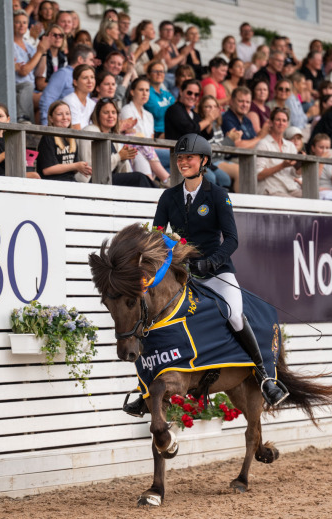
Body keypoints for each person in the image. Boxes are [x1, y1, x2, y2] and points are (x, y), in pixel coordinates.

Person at [123, 132, 289, 418]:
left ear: (203, 162)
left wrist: (211, 263)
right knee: (149, 314)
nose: (183, 162)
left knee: (235, 314)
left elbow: (232, 240)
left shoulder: (217, 195)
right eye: (180, 158)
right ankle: (145, 390)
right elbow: (158, 239)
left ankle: (265, 377)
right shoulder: (168, 197)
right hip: (181, 276)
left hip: (216, 272)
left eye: (189, 157)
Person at [78, 98, 154, 188]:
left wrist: (123, 158)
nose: (111, 116)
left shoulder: (113, 136)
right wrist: (119, 156)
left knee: (144, 178)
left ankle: (159, 199)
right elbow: (90, 167)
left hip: (108, 179)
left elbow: (119, 170)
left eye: (113, 113)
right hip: (91, 180)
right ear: (97, 115)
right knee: (139, 178)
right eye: (106, 113)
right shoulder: (89, 131)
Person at [120, 76, 170, 184]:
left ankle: (162, 181)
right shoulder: (126, 110)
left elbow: (150, 141)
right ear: (132, 92)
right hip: (131, 149)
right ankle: (165, 178)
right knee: (138, 148)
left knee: (173, 155)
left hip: (147, 152)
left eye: (147, 90)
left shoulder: (149, 115)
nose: (145, 93)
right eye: (141, 90)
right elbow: (132, 136)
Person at [0, 102, 40, 177]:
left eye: (1, 116)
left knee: (34, 176)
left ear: (8, 119)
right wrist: (4, 155)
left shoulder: (11, 136)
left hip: (11, 174)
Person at [38, 43, 95, 125]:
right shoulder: (63, 74)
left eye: (92, 77)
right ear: (80, 59)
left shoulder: (90, 97)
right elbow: (47, 100)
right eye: (91, 60)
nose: (93, 64)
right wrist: (47, 126)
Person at [36, 100, 91, 181]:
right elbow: (47, 170)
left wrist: (82, 167)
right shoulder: (48, 137)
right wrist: (75, 166)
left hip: (70, 182)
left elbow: (74, 169)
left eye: (67, 114)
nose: (65, 117)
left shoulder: (71, 138)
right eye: (59, 114)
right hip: (52, 183)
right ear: (51, 118)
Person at [255, 107, 302, 197]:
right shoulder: (263, 144)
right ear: (271, 123)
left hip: (290, 188)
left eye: (284, 121)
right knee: (294, 203)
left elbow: (295, 173)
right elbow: (258, 175)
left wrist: (301, 165)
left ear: (287, 124)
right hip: (271, 189)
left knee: (313, 197)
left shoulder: (291, 146)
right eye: (278, 120)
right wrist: (282, 166)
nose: (281, 123)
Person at [145, 60, 175, 137]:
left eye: (161, 71)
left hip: (169, 131)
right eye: (155, 71)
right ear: (148, 75)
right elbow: (157, 113)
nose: (159, 74)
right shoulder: (147, 92)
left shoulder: (166, 93)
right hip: (155, 132)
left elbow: (176, 110)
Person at [62, 64, 95, 130]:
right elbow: (76, 131)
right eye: (85, 78)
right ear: (75, 82)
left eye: (92, 77)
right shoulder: (69, 100)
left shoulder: (92, 103)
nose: (90, 81)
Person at [34, 24, 67, 91]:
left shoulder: (64, 58)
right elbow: (40, 85)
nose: (58, 37)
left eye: (61, 36)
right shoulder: (42, 54)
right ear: (46, 37)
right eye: (54, 35)